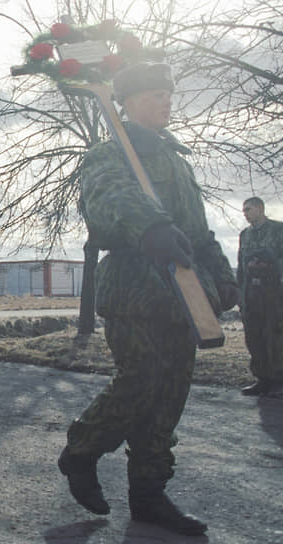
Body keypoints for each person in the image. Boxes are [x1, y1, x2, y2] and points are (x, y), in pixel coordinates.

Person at [57, 63, 239, 536]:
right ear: (128, 102)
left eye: (168, 93)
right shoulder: (109, 153)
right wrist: (149, 226)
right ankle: (82, 449)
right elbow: (106, 197)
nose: (166, 100)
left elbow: (198, 231)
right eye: (155, 93)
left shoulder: (176, 159)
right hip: (134, 285)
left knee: (168, 396)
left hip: (184, 292)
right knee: (140, 379)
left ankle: (149, 495)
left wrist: (222, 277)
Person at [236, 196, 283, 397]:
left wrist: (270, 266)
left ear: (260, 208)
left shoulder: (278, 230)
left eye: (249, 209)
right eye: (244, 211)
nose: (245, 214)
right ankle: (262, 379)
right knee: (254, 336)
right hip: (251, 293)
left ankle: (279, 380)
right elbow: (240, 266)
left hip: (274, 292)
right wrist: (239, 293)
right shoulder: (244, 235)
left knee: (276, 335)